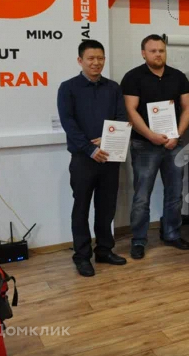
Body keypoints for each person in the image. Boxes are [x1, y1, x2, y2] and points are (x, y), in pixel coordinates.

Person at [57, 40, 128, 277]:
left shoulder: (113, 88)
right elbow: (69, 123)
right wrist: (89, 149)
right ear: (80, 60)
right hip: (83, 160)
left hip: (110, 156)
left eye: (100, 58)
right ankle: (82, 256)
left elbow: (121, 118)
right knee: (81, 208)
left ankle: (104, 250)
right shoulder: (68, 88)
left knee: (106, 208)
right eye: (91, 58)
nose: (96, 62)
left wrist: (107, 141)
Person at [121, 34, 189, 260]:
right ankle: (139, 239)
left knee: (175, 192)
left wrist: (177, 134)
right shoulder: (133, 77)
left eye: (161, 50)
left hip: (173, 144)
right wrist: (150, 135)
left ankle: (171, 233)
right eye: (153, 51)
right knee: (142, 195)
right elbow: (130, 110)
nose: (158, 54)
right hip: (144, 145)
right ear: (143, 53)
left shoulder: (178, 76)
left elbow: (188, 107)